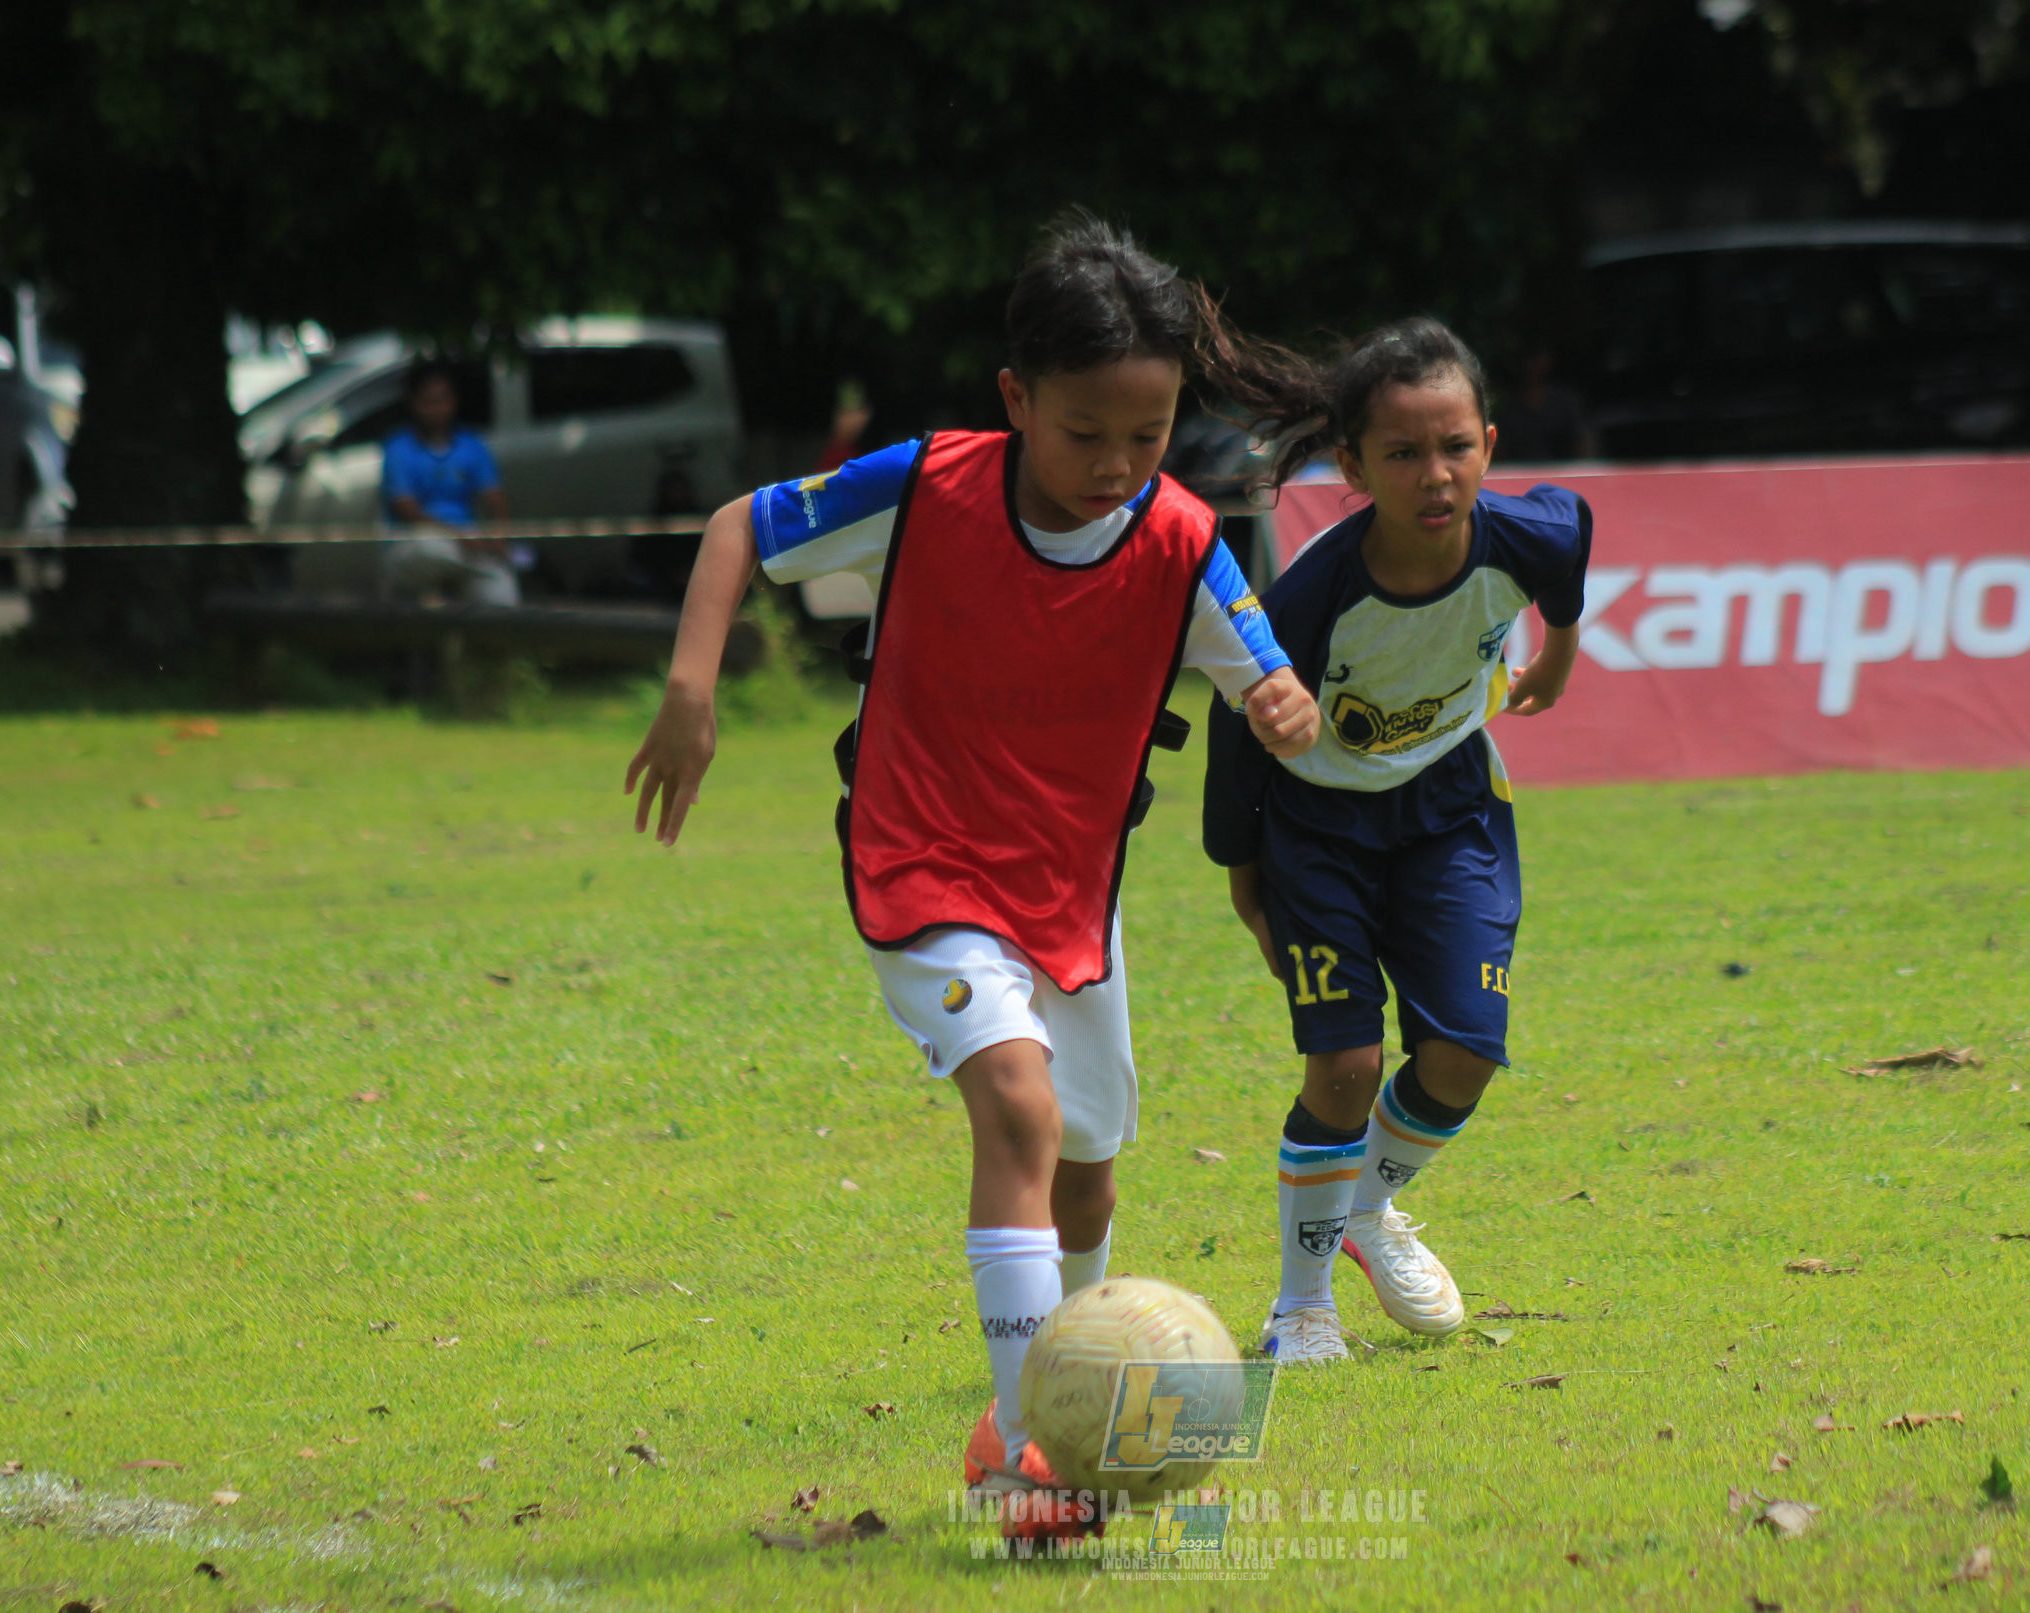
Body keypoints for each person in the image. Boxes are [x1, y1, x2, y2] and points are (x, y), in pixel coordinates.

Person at [623, 213, 1321, 1540]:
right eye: (1083, 433)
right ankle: (1025, 1451)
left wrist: (1281, 707)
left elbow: (1261, 671)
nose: (1117, 465)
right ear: (1015, 399)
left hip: (1072, 890)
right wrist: (688, 691)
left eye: (1148, 433)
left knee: (1088, 1175)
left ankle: (1068, 1373)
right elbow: (735, 529)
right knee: (1016, 1109)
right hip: (918, 857)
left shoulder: (1177, 539)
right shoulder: (929, 483)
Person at [1203, 318, 1589, 1363]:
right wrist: (1244, 878)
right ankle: (1301, 1303)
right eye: (1404, 452)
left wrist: (1555, 654)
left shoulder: (1527, 537)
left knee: (1465, 1051)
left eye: (1456, 446)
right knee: (1343, 1061)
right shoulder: (1308, 600)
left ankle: (1366, 1211)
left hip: (1453, 804)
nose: (1435, 474)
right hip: (1315, 827)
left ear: (1490, 444)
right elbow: (1239, 730)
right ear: (1352, 465)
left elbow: (1571, 538)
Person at [378, 360, 517, 606]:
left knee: (502, 597)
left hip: (468, 543)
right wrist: (459, 537)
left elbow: (494, 496)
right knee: (430, 550)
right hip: (419, 542)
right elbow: (406, 508)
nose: (437, 409)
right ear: (413, 404)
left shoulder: (470, 444)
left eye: (443, 399)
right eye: (428, 401)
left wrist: (498, 539)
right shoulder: (399, 448)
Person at [1493, 347, 1594, 463]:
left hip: (1563, 476)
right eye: (1527, 360)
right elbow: (1499, 452)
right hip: (1518, 476)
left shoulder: (1566, 403)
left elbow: (1583, 445)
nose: (1531, 366)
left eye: (1536, 359)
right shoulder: (1508, 408)